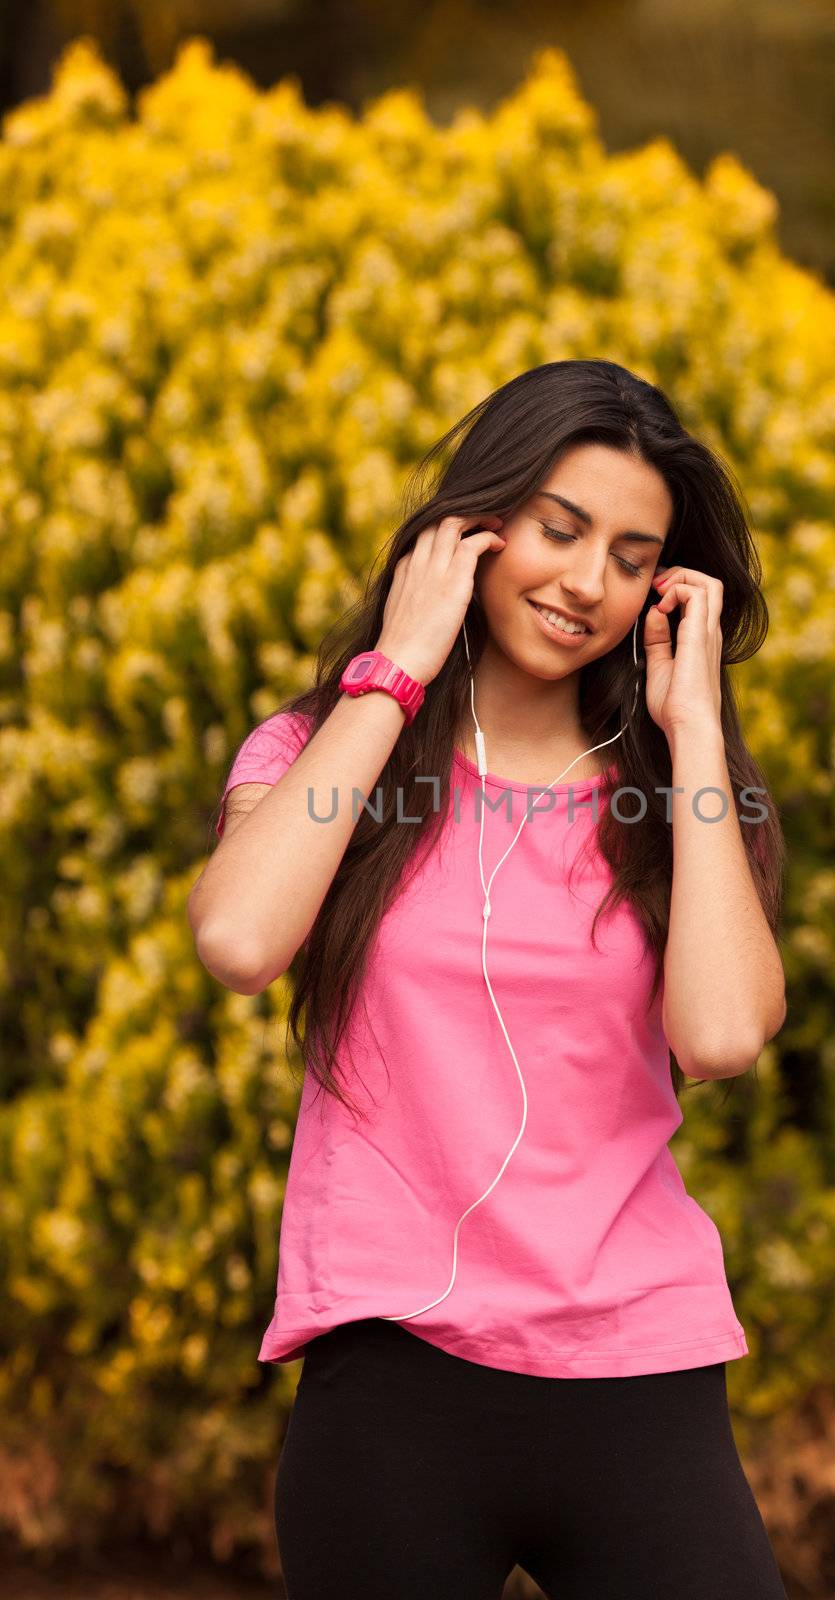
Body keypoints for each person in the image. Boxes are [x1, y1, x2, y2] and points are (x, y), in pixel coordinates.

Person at [188, 358, 790, 1599]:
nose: (584, 582)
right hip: (393, 1380)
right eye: (557, 529)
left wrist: (689, 733)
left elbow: (723, 1033)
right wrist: (395, 668)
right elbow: (241, 942)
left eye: (630, 555)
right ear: (476, 525)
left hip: (639, 1368)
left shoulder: (678, 793)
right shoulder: (320, 751)